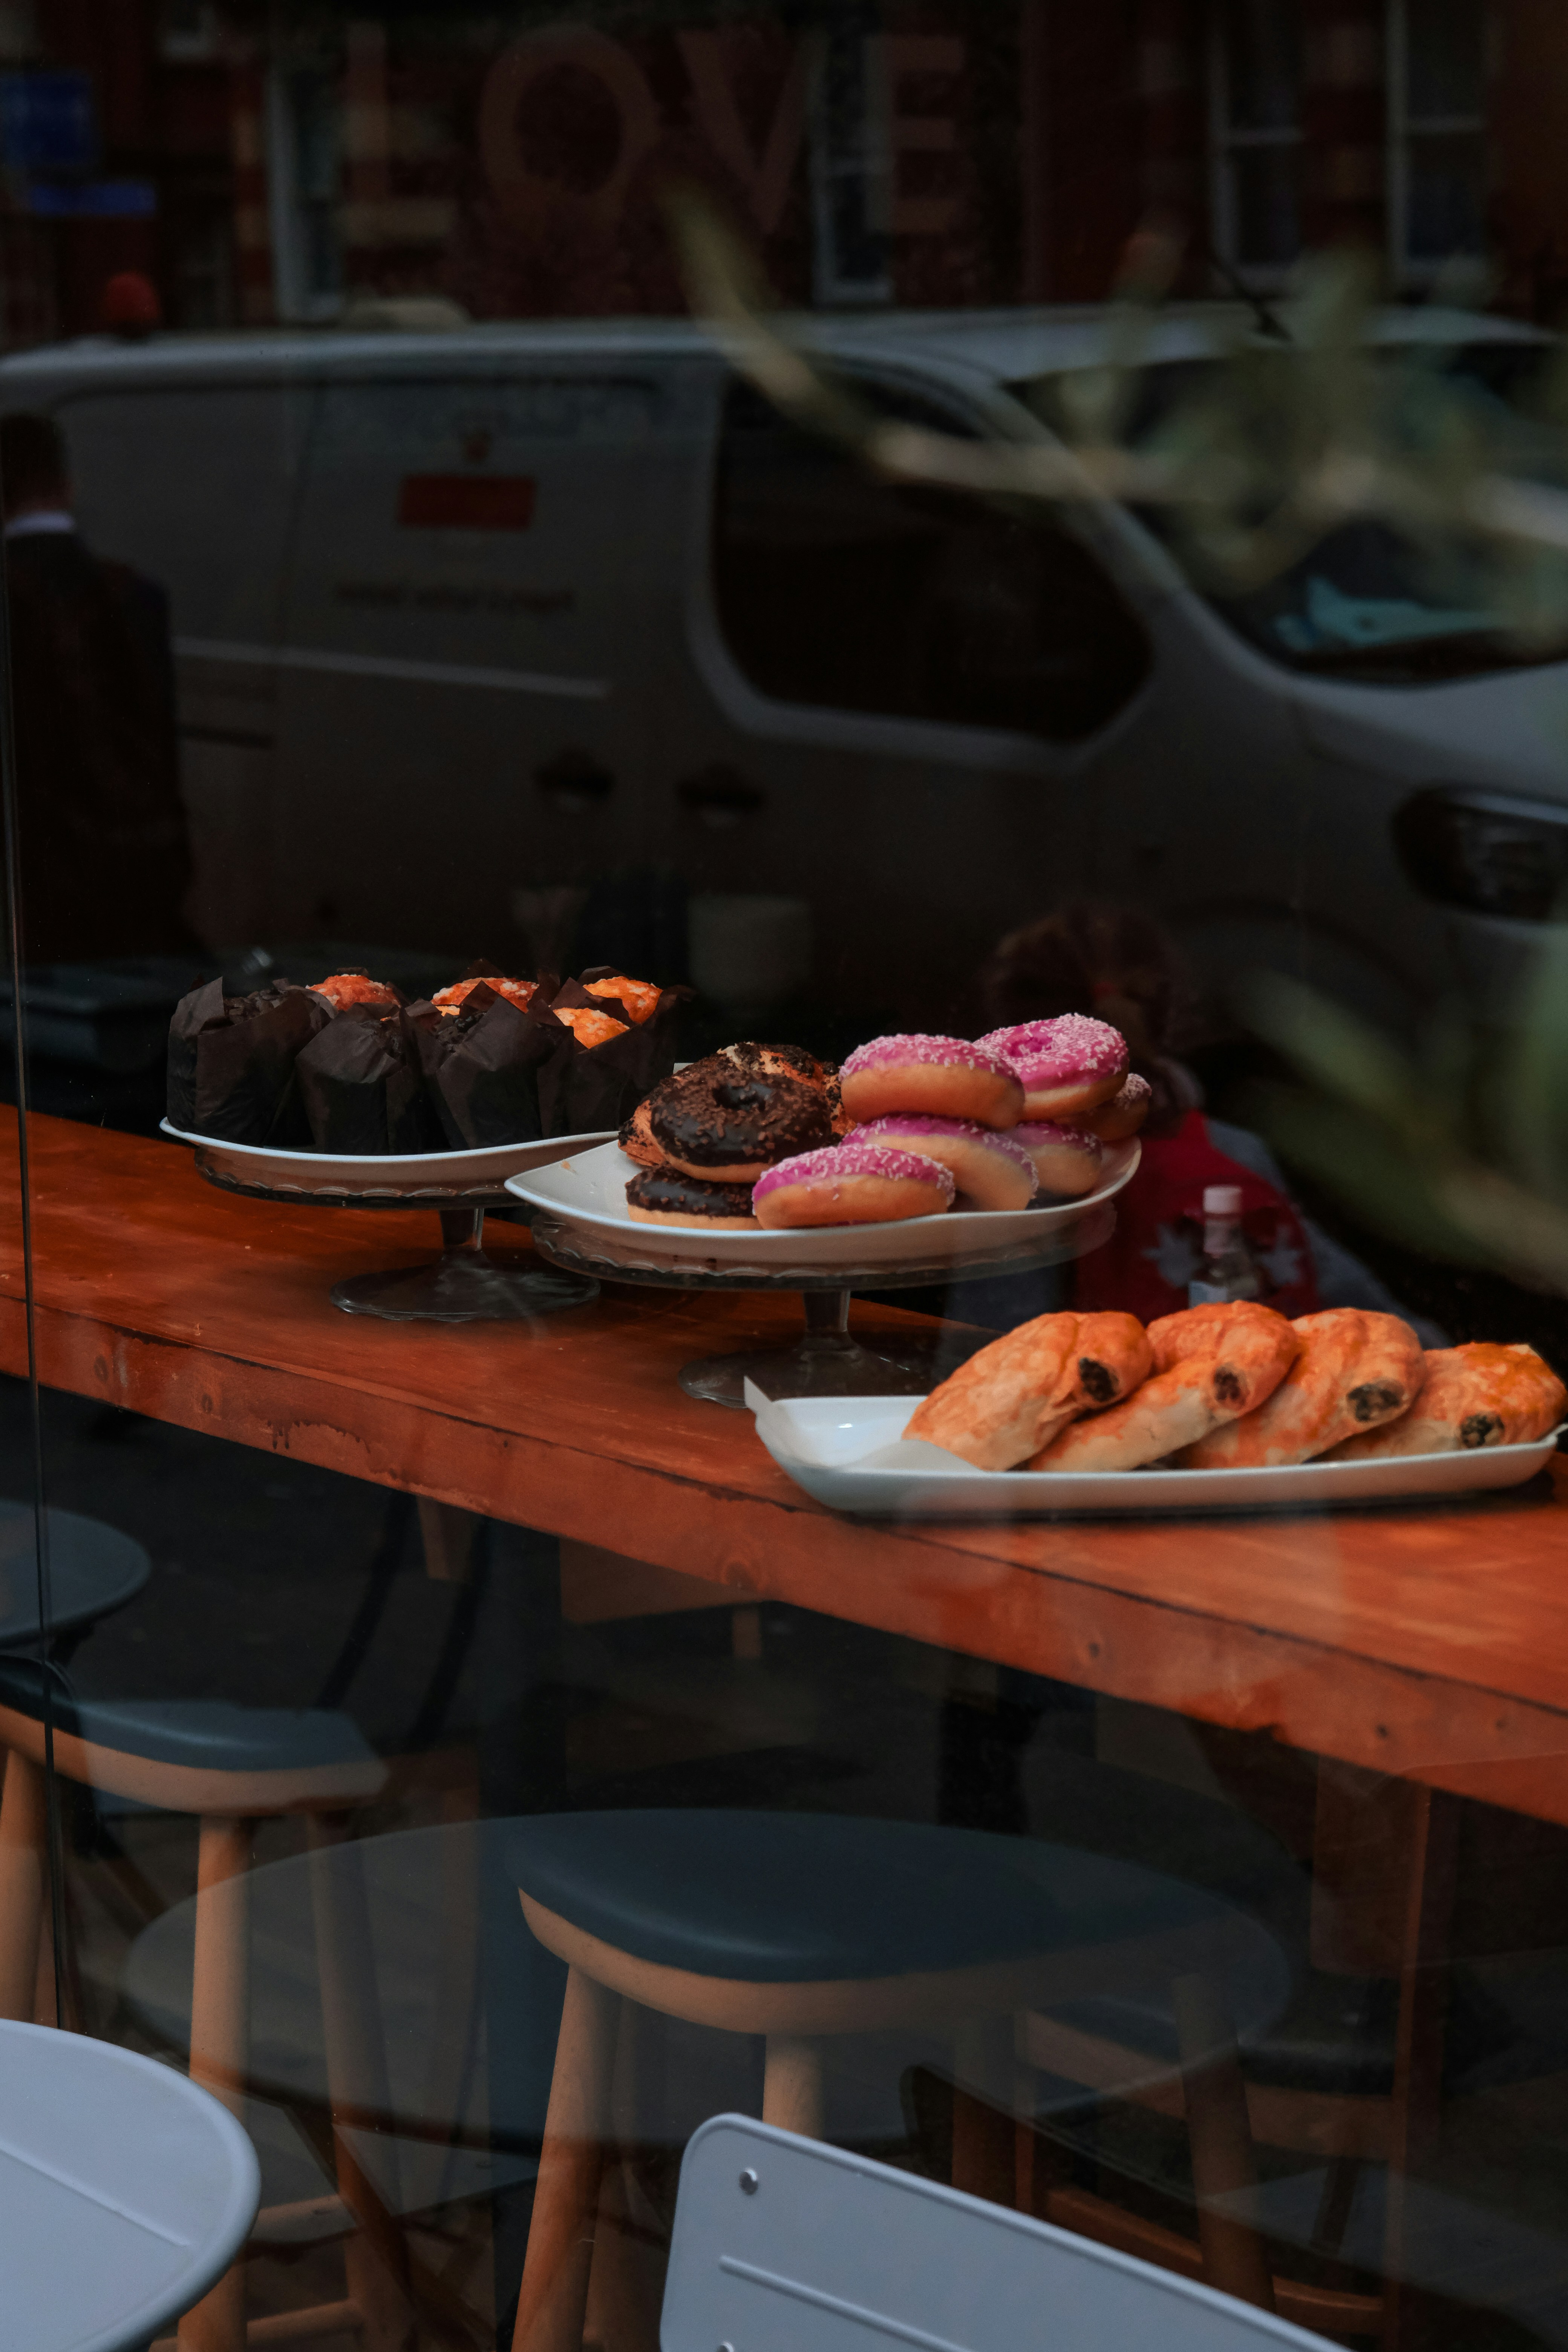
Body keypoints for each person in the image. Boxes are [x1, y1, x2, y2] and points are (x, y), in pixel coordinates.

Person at [952, 901, 1445, 1341]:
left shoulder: (1017, 1178)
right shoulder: (1232, 1151)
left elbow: (983, 1352)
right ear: (1168, 1014)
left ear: (1011, 1031)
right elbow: (1352, 1298)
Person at [0, 410, 194, 966]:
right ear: (66, 486)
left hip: (41, 880)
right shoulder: (136, 594)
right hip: (139, 863)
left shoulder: (16, 593)